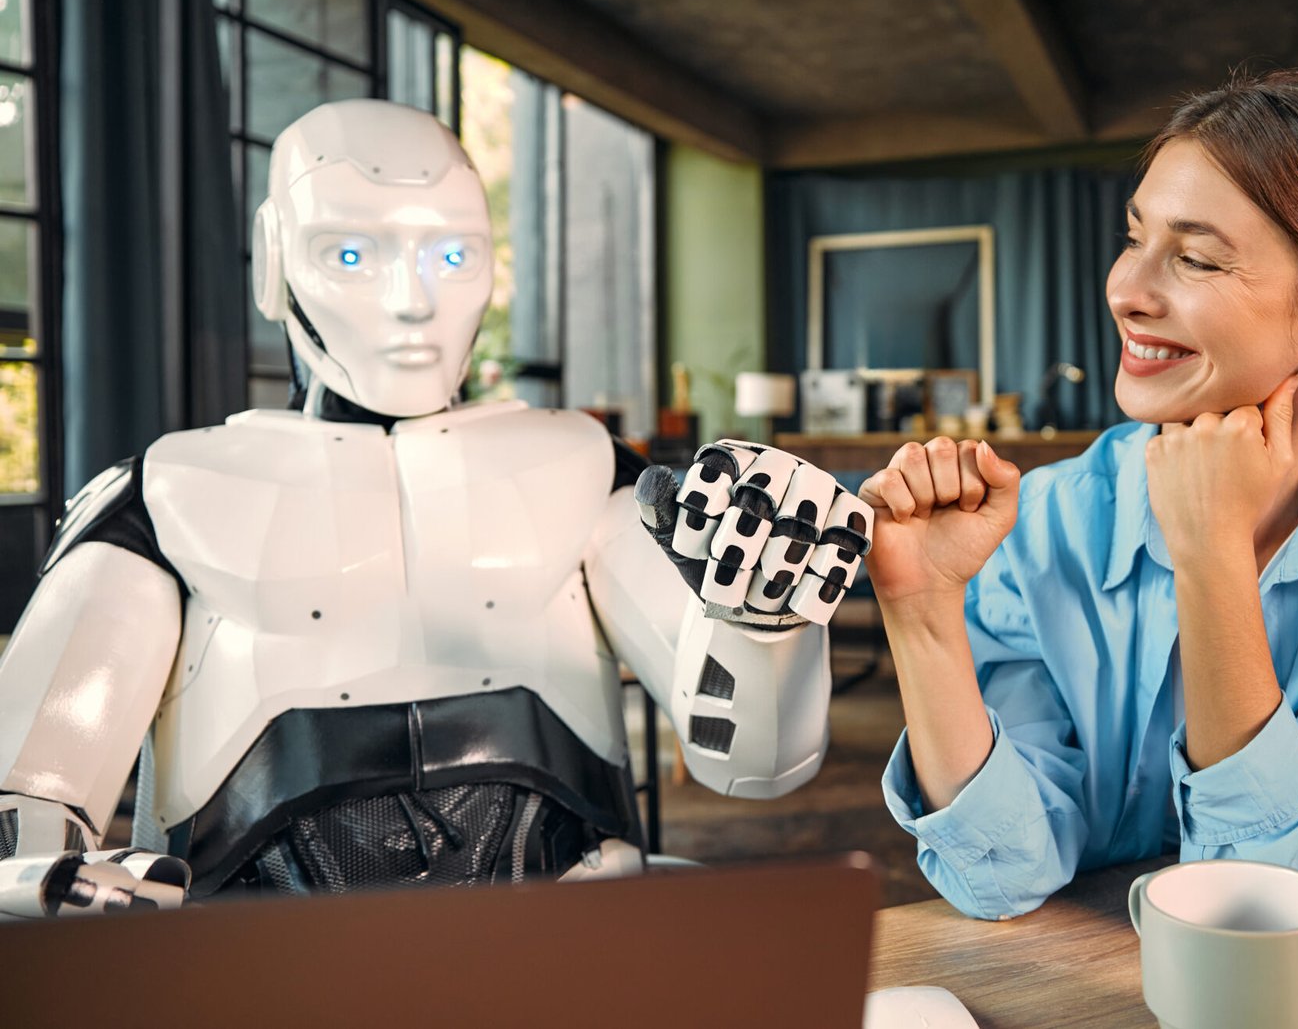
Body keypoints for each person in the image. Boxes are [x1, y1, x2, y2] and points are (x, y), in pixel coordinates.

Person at [0, 99, 870, 918]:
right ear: (274, 259)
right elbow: (27, 806)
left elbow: (756, 762)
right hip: (270, 971)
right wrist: (51, 887)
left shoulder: (582, 465)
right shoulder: (172, 493)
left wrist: (763, 620)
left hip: (574, 944)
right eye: (350, 255)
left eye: (451, 257)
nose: (412, 302)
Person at [861, 70, 1298, 968]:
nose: (1127, 290)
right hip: (1085, 984)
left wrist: (1212, 556)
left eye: (1198, 259)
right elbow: (1002, 873)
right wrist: (921, 610)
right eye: (1135, 237)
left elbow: (1264, 898)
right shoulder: (1048, 520)